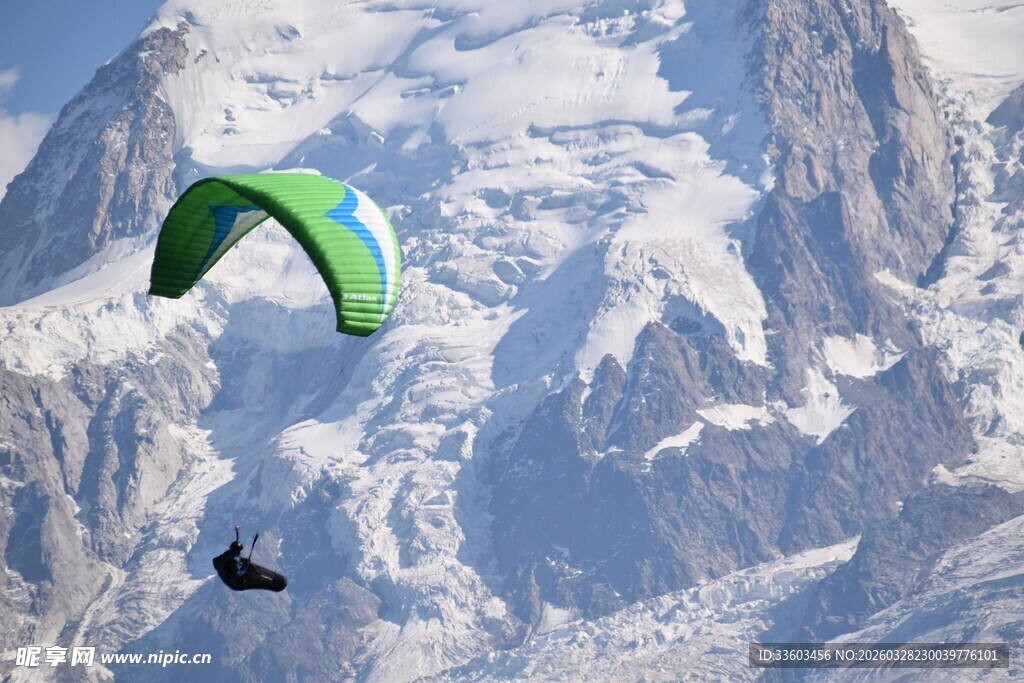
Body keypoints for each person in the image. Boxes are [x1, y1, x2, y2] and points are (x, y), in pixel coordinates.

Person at [212, 527, 288, 592]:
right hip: (238, 582)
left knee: (252, 570)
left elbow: (234, 564)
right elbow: (238, 573)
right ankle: (278, 583)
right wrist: (245, 565)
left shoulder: (226, 557)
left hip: (235, 580)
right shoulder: (231, 562)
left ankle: (278, 582)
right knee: (256, 575)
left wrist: (243, 562)